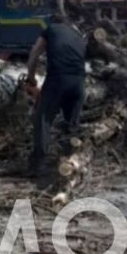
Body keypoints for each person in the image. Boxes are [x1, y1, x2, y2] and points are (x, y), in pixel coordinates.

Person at [25, 12, 87, 186]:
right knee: (71, 126)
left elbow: (35, 53)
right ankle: (69, 163)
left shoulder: (50, 30)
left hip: (57, 80)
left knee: (42, 119)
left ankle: (39, 165)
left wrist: (31, 78)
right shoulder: (77, 35)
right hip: (79, 83)